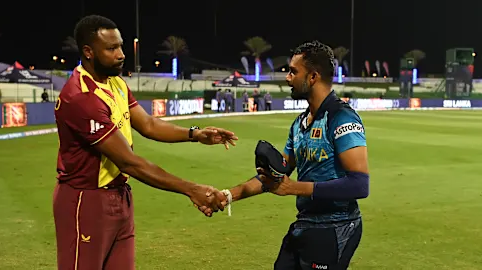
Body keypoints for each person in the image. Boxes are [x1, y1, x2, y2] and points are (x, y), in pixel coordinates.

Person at [53, 15, 237, 270]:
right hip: (87, 202)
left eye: (120, 46)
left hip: (120, 198)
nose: (121, 54)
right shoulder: (81, 98)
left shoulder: (115, 83)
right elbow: (130, 162)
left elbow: (148, 125)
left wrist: (195, 133)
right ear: (88, 52)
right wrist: (191, 189)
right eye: (111, 48)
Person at [221, 41, 369, 270]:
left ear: (313, 77)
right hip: (306, 224)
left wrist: (294, 188)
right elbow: (278, 174)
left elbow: (360, 185)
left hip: (336, 226)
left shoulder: (342, 118)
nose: (287, 78)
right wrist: (229, 195)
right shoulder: (299, 124)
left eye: (293, 71)